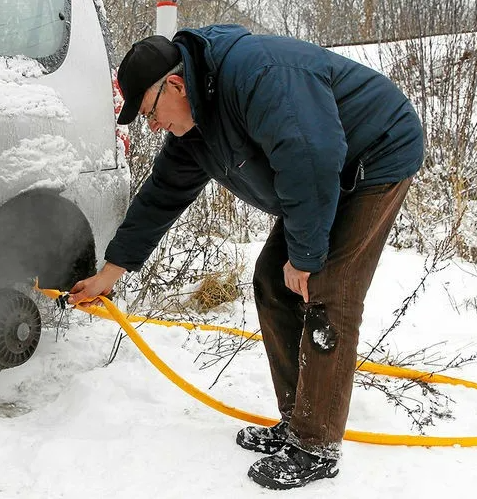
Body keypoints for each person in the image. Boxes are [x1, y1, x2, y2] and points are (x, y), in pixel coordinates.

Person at [68, 24, 424, 490]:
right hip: (323, 172)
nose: (153, 127)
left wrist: (306, 256)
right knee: (272, 282)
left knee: (327, 291)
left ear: (174, 84)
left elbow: (311, 155)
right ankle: (297, 421)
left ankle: (315, 445)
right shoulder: (195, 125)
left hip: (375, 155)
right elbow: (161, 197)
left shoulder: (256, 74)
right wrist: (109, 273)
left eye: (151, 114)